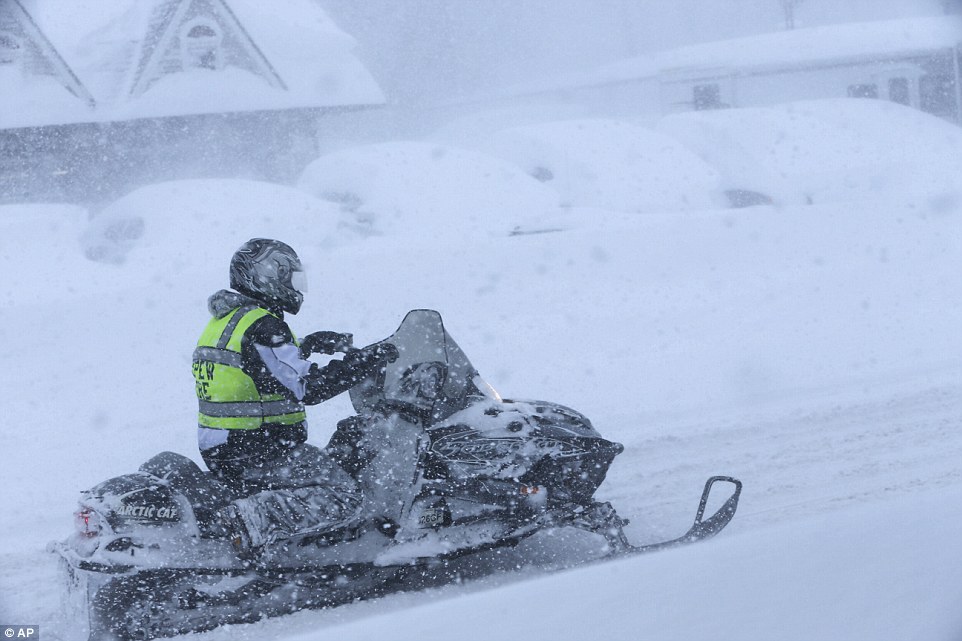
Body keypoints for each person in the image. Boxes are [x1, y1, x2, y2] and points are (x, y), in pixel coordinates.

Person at [192, 238, 396, 556]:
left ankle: (297, 535)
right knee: (346, 495)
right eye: (289, 277)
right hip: (260, 452)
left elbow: (260, 367)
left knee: (345, 444)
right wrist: (364, 362)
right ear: (267, 275)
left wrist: (310, 344)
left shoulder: (227, 321)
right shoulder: (263, 326)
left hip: (227, 449)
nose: (294, 286)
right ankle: (246, 519)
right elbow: (307, 387)